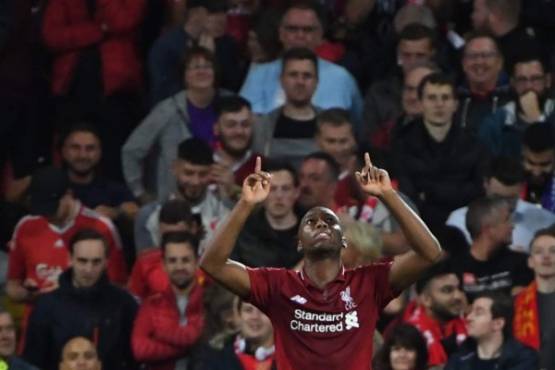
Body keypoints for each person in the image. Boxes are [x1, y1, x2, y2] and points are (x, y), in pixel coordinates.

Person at [199, 154, 443, 370]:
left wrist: (388, 194)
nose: (320, 224)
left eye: (329, 221)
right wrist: (246, 204)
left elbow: (430, 253)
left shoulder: (369, 282)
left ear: (343, 241)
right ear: (299, 244)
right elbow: (212, 264)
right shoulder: (276, 285)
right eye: (310, 222)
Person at [6, 167, 127, 323]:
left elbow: (118, 287)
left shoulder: (101, 227)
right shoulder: (26, 226)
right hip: (39, 323)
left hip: (86, 321)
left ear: (68, 195)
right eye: (42, 209)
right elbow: (12, 285)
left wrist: (69, 290)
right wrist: (29, 294)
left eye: (52, 208)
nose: (47, 214)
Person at [42, 0, 146, 181]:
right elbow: (52, 36)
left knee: (113, 155)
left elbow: (122, 21)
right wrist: (98, 30)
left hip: (116, 90)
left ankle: (111, 205)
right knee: (70, 150)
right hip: (71, 87)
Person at [122, 47, 232, 202]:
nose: (202, 71)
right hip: (175, 205)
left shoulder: (231, 104)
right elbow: (131, 151)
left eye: (207, 66)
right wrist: (140, 193)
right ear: (184, 75)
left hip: (222, 203)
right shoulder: (166, 110)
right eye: (194, 67)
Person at [23, 229, 138, 370]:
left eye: (96, 262)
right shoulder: (46, 306)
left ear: (106, 262)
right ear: (70, 259)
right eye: (82, 261)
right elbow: (33, 362)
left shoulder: (123, 303)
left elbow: (134, 358)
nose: (88, 269)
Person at [240, 2, 363, 126]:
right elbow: (243, 120)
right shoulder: (259, 75)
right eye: (292, 29)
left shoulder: (341, 78)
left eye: (308, 30)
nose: (300, 35)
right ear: (281, 34)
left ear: (320, 36)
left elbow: (357, 128)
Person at [393, 73, 486, 232]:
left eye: (445, 98)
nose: (439, 104)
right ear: (421, 103)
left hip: (464, 227)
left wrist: (429, 192)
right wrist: (453, 190)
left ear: (456, 104)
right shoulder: (403, 143)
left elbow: (478, 191)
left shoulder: (474, 144)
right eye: (432, 98)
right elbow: (407, 194)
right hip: (419, 228)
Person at [133, 138, 230, 252]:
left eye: (203, 174)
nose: (195, 181)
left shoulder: (226, 215)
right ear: (175, 168)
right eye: (188, 173)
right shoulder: (149, 217)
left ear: (212, 172)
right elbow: (146, 266)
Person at [132, 231, 208, 370]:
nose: (179, 267)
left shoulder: (210, 303)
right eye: (173, 260)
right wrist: (189, 349)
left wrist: (162, 333)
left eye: (185, 260)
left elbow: (213, 346)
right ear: (164, 265)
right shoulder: (152, 305)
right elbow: (140, 349)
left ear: (197, 262)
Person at [447, 157, 555, 253]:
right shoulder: (459, 221)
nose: (504, 205)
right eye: (498, 198)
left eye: (510, 199)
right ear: (486, 184)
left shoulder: (546, 222)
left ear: (522, 188)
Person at [148, 0, 242, 106]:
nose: (222, 18)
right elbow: (165, 93)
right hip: (178, 112)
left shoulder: (227, 44)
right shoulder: (166, 47)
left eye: (224, 11)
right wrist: (203, 58)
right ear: (194, 14)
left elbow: (232, 87)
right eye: (213, 13)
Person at [446, 196, 533, 301]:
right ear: (488, 229)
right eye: (506, 220)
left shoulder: (521, 263)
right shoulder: (454, 268)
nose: (512, 226)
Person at [363, 23, 437, 144]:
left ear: (432, 55)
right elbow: (369, 140)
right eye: (406, 55)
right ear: (398, 55)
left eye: (420, 56)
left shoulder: (448, 90)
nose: (413, 62)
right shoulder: (379, 93)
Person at [252, 47, 320, 166]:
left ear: (316, 81)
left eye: (307, 76)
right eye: (293, 75)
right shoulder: (262, 126)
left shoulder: (329, 125)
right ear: (281, 80)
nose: (300, 82)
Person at [479, 54, 555, 158]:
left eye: (536, 79)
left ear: (548, 80)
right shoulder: (496, 123)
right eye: (522, 80)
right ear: (512, 83)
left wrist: (538, 121)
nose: (529, 86)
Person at [232, 160, 302, 268]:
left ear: (296, 192)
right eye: (272, 189)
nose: (279, 196)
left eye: (285, 189)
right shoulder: (244, 233)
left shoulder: (311, 230)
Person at [60, 123, 138, 221]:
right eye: (75, 148)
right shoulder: (49, 187)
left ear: (99, 153)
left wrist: (116, 212)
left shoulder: (115, 190)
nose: (83, 155)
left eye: (90, 148)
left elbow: (135, 212)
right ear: (64, 151)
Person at [129, 199, 201, 300]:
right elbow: (135, 302)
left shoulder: (209, 264)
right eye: (167, 236)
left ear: (193, 228)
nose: (173, 242)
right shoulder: (145, 263)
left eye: (179, 236)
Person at [445, 292, 538, 370]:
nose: (469, 318)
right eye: (470, 312)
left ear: (497, 324)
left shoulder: (523, 358)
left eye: (478, 313)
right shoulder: (459, 357)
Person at [402, 263, 468, 367]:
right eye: (447, 290)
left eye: (460, 289)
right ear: (426, 299)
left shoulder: (472, 327)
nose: (458, 296)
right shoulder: (405, 338)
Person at [513, 228, 555, 370]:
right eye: (538, 252)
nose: (546, 257)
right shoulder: (515, 302)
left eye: (553, 251)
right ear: (530, 262)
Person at [455, 32, 511, 134]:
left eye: (486, 55)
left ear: (500, 63)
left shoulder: (512, 101)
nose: (479, 62)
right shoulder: (452, 102)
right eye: (472, 56)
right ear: (463, 64)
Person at [195, 300, 275, 370]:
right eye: (248, 310)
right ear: (239, 315)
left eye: (263, 311)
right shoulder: (212, 357)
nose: (255, 317)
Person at [211, 96, 258, 202]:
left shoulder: (262, 166)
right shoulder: (202, 165)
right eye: (231, 125)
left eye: (245, 124)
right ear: (216, 128)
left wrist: (233, 189)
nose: (239, 131)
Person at [471, 0, 542, 70]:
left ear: (494, 16)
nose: (472, 16)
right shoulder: (529, 42)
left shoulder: (523, 57)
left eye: (477, 10)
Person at [521, 124, 555, 212]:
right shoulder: (508, 184)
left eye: (544, 164)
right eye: (531, 163)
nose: (537, 172)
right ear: (523, 154)